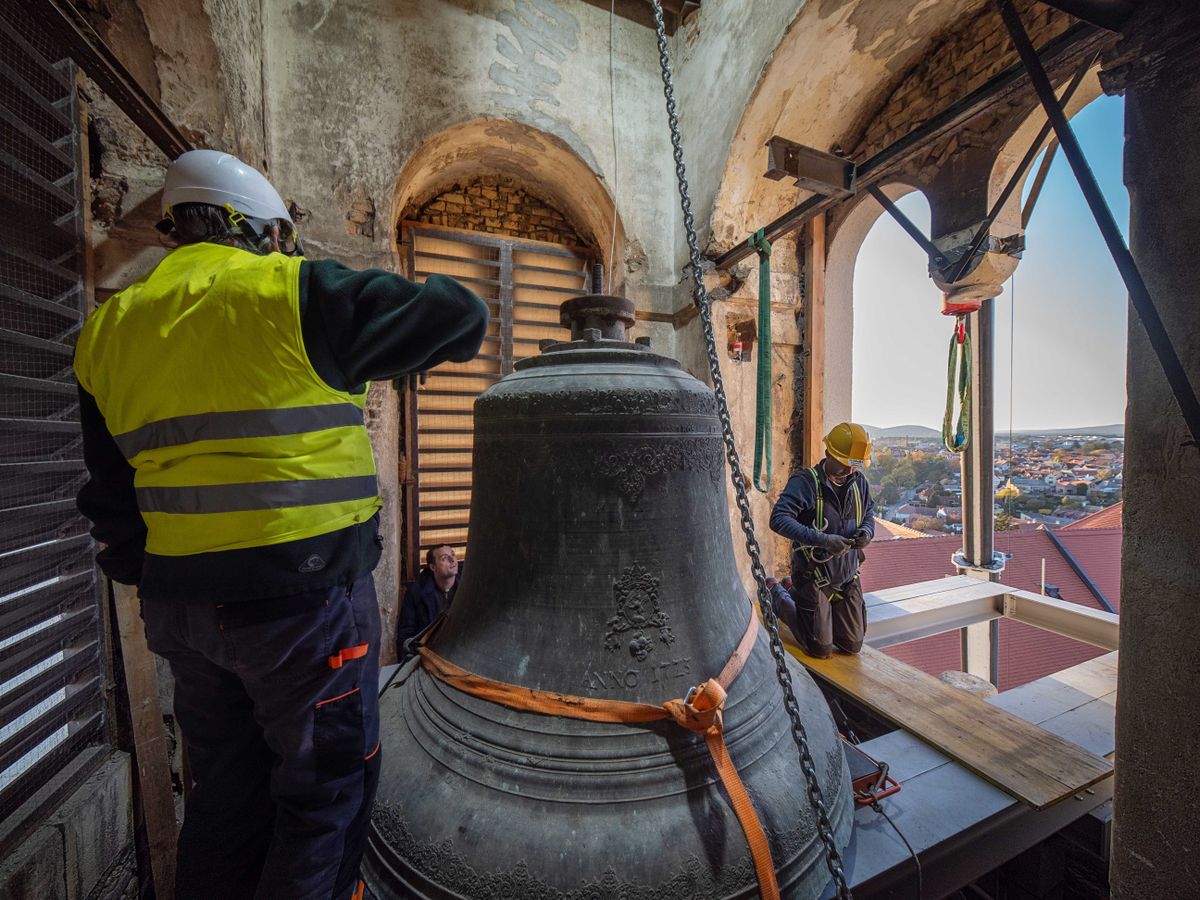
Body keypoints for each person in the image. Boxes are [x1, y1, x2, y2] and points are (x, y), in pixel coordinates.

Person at [74, 149, 489, 900]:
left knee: (227, 795)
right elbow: (462, 316)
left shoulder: (108, 330)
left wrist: (170, 576)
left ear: (178, 230)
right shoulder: (291, 291)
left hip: (183, 612)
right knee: (324, 796)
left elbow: (110, 501)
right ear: (264, 232)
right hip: (305, 608)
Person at [768, 422, 876, 659]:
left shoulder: (859, 484)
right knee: (819, 648)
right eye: (845, 465)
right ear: (829, 454)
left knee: (851, 644)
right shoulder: (806, 483)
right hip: (813, 575)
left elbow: (868, 513)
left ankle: (792, 590)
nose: (850, 471)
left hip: (847, 576)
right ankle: (776, 592)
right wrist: (824, 540)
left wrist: (867, 532)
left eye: (854, 466)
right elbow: (778, 519)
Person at [396, 544, 460, 661]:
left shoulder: (466, 586)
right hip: (428, 656)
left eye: (453, 554)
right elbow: (406, 634)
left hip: (458, 652)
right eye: (444, 558)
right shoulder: (417, 592)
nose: (452, 560)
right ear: (433, 567)